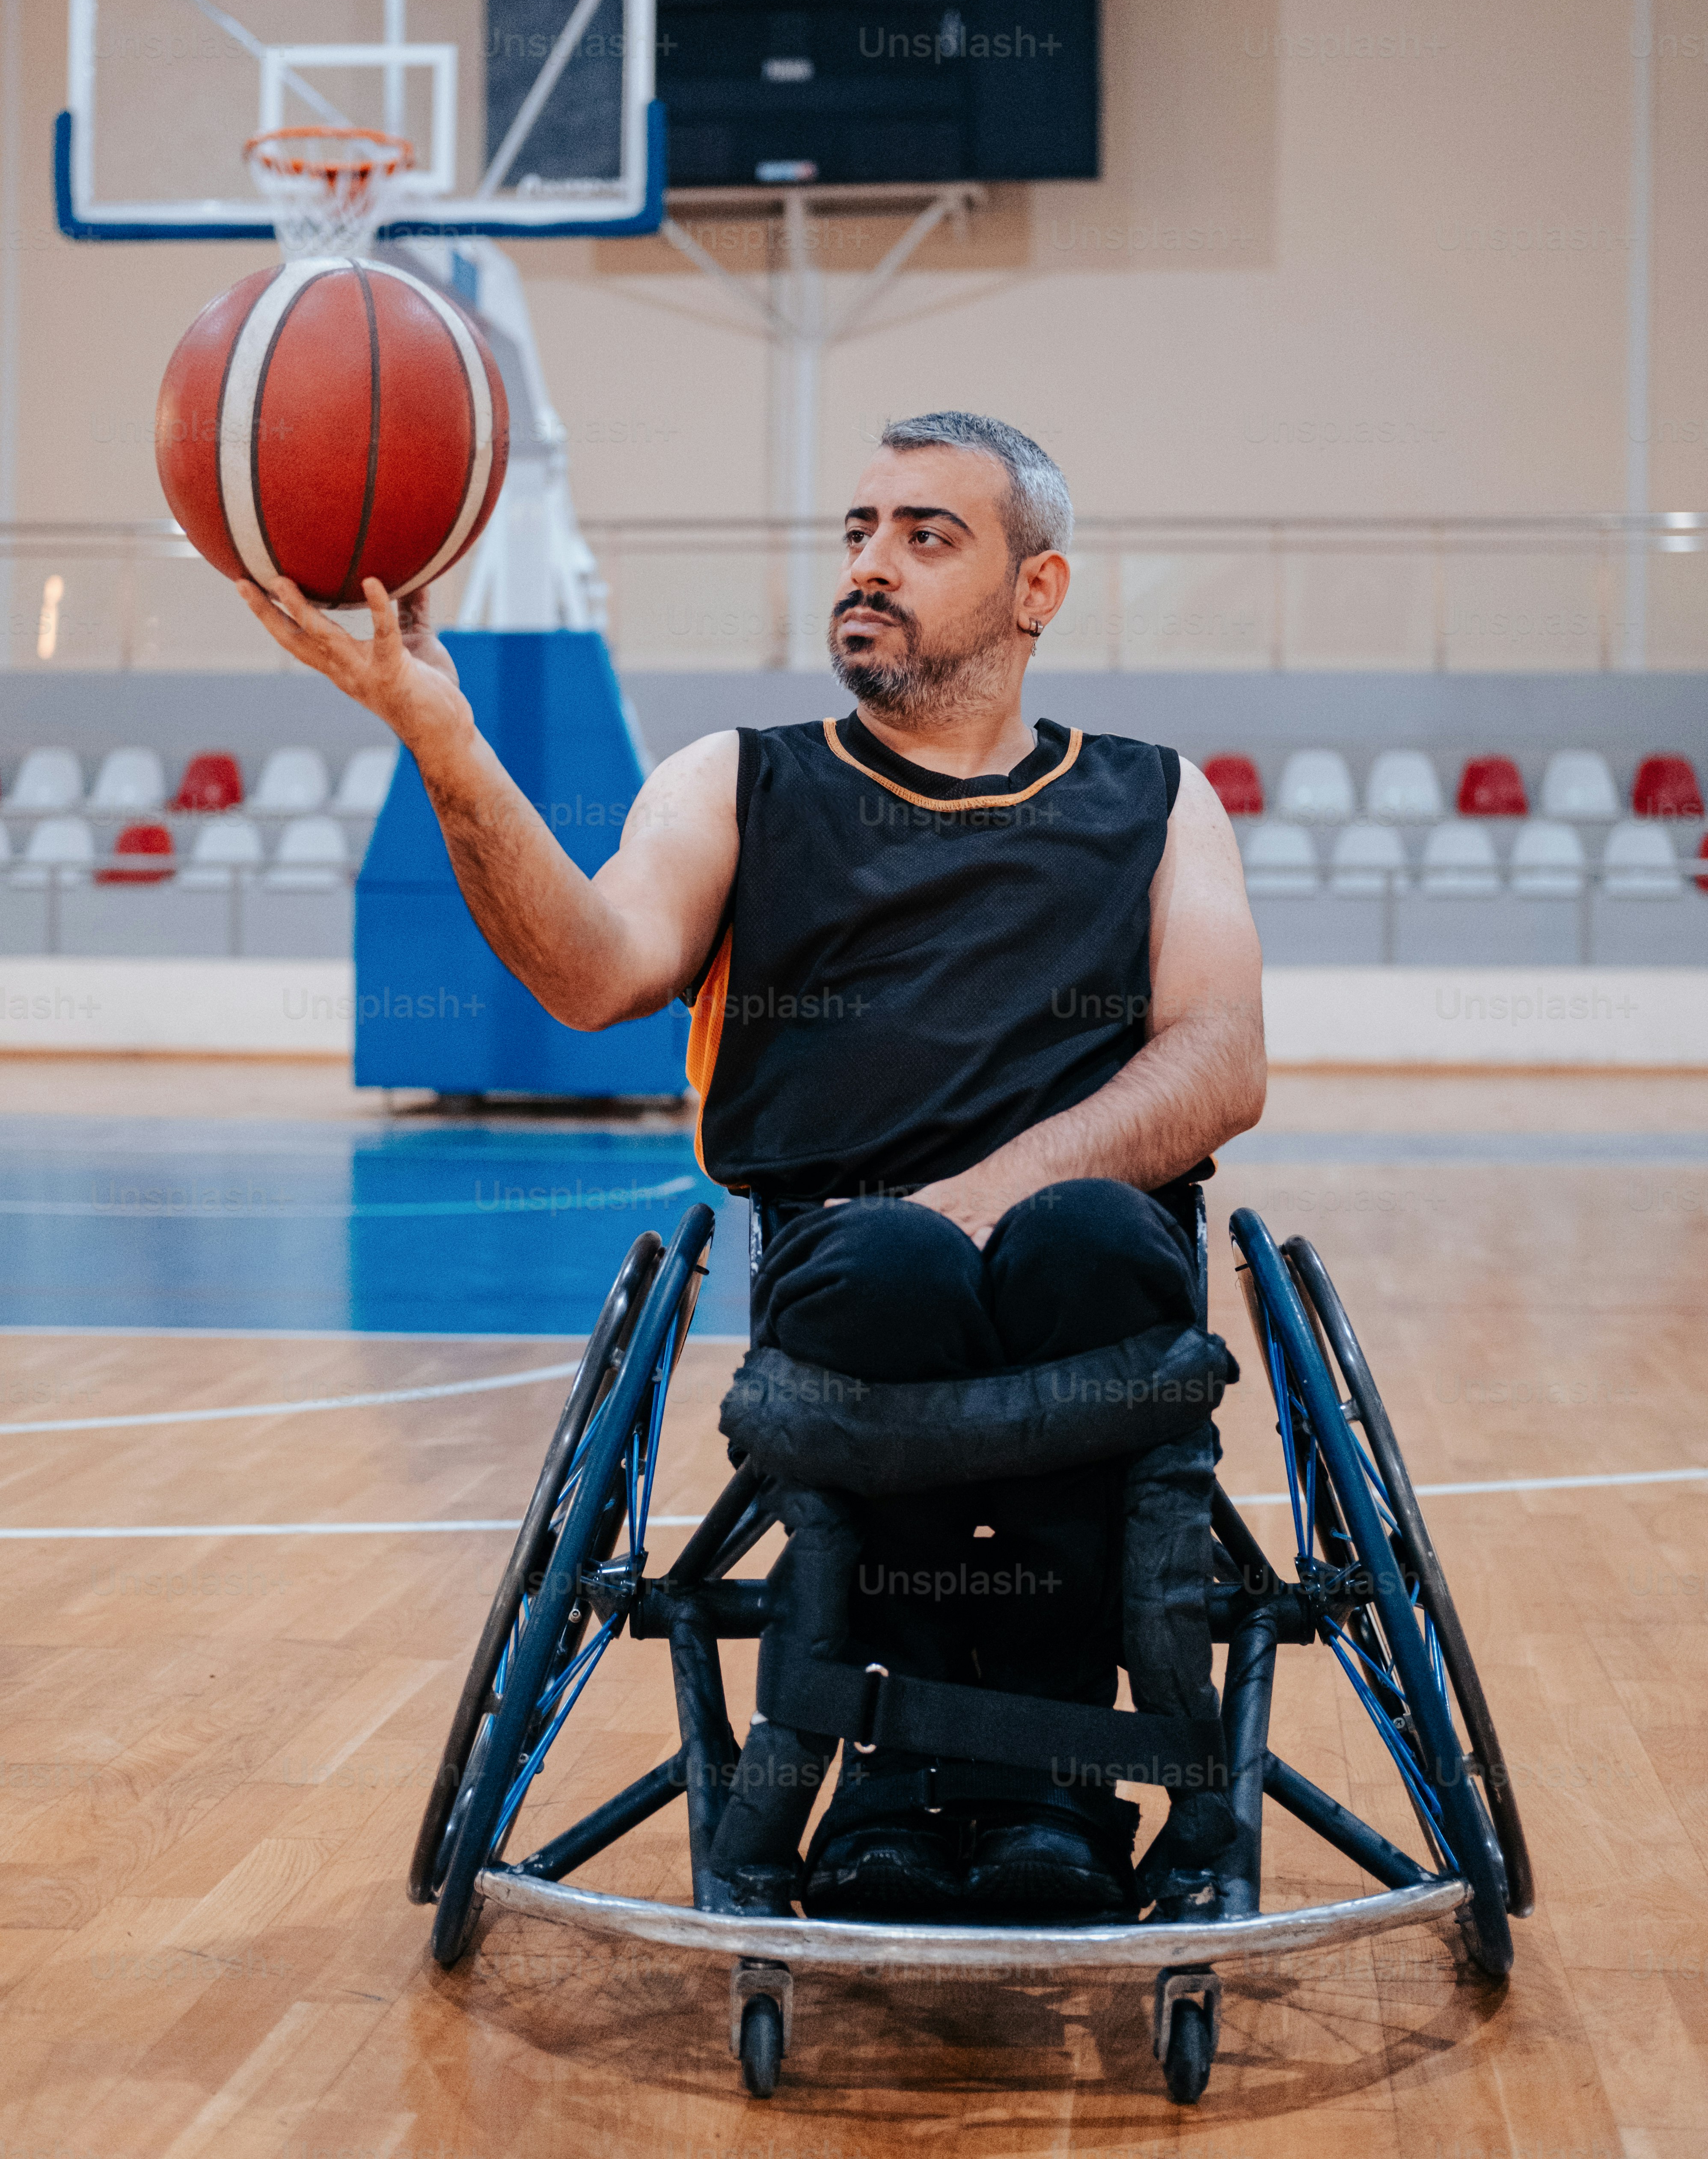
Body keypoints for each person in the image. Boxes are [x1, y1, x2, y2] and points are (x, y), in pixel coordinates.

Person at [240, 409, 1266, 1923]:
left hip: (1082, 1256)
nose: (873, 562)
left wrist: (987, 1196)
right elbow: (593, 973)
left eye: (927, 535)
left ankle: (1047, 1777)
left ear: (1037, 590)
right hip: (846, 1261)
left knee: (1087, 1243)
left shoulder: (1156, 796)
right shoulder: (739, 781)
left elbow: (1221, 1060)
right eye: (859, 530)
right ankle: (900, 1781)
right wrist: (441, 738)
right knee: (896, 1264)